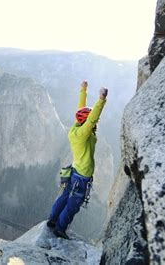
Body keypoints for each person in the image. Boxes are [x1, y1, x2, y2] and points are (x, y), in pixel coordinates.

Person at [47, 80, 108, 239]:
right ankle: (60, 229)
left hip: (74, 171)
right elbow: (92, 119)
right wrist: (101, 100)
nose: (95, 125)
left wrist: (83, 90)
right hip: (81, 176)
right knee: (73, 204)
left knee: (65, 196)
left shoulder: (76, 127)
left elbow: (81, 111)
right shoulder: (83, 134)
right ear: (85, 122)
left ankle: (52, 220)